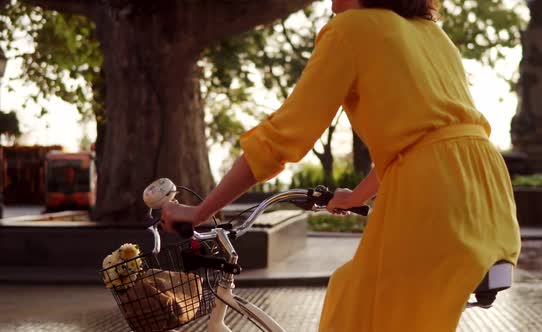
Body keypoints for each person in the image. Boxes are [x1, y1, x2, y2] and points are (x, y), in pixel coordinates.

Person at [160, 0, 522, 330]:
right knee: (363, 297)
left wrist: (201, 211)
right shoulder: (434, 36)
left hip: (434, 194)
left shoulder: (351, 29)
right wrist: (357, 196)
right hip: (487, 191)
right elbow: (429, 138)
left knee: (355, 311)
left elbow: (280, 139)